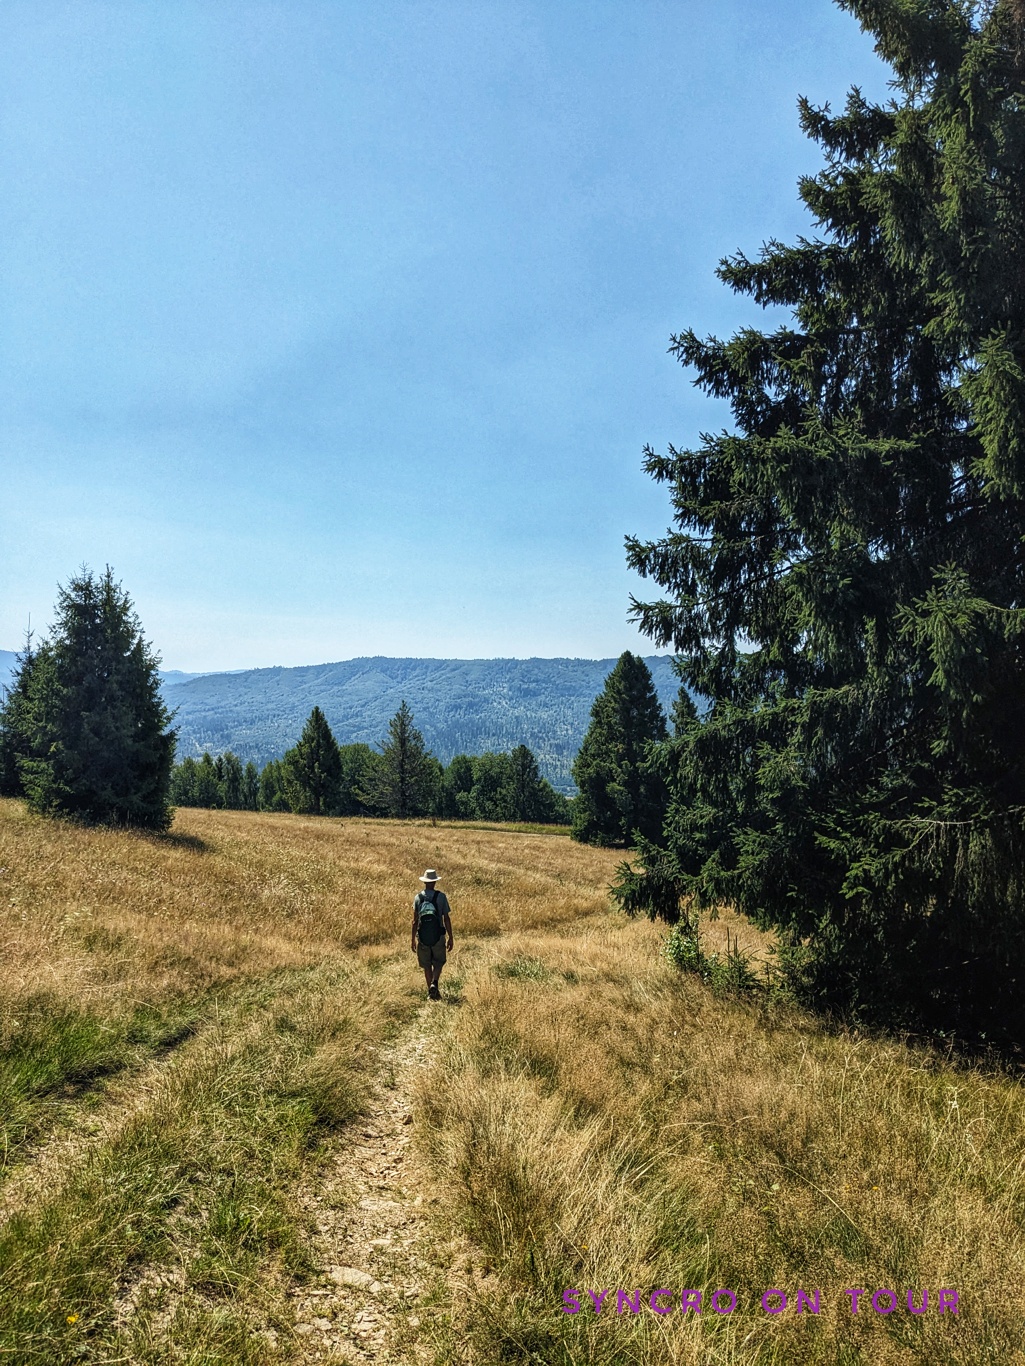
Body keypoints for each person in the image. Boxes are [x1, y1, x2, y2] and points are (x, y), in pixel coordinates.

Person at [412, 868, 453, 1000]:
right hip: (438, 936)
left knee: (427, 965)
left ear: (424, 882)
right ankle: (434, 983)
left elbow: (415, 921)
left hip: (423, 937)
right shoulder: (441, 897)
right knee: (439, 962)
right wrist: (450, 937)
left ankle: (431, 993)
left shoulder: (418, 898)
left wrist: (412, 939)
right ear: (435, 882)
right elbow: (446, 918)